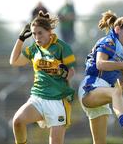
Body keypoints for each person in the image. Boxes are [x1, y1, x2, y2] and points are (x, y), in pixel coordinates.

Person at [78, 10, 123, 144]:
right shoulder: (109, 41)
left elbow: (122, 84)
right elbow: (100, 64)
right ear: (118, 29)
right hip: (90, 88)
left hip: (103, 96)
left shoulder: (121, 53)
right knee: (115, 92)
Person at [10, 10, 76, 144]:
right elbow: (14, 61)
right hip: (38, 98)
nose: (37, 37)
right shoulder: (34, 49)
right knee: (17, 121)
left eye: (40, 33)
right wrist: (21, 39)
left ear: (49, 31)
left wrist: (64, 73)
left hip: (57, 100)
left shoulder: (62, 47)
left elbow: (72, 72)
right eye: (34, 34)